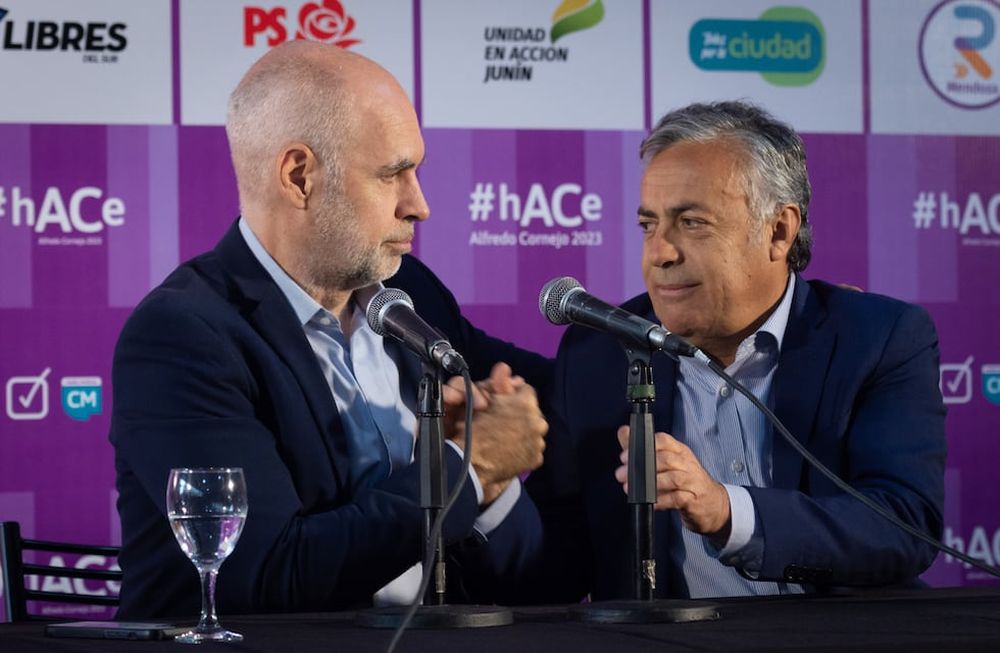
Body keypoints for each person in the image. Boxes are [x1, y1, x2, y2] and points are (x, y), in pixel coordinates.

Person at [110, 41, 550, 619]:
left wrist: (489, 479)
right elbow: (267, 574)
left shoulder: (408, 291)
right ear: (299, 177)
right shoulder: (184, 337)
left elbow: (559, 387)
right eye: (394, 174)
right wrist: (469, 468)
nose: (419, 205)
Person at [524, 101, 946, 601]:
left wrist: (727, 511)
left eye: (693, 222)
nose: (660, 252)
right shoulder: (598, 353)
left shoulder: (878, 339)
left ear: (778, 231)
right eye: (649, 225)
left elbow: (902, 524)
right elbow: (553, 567)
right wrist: (490, 494)